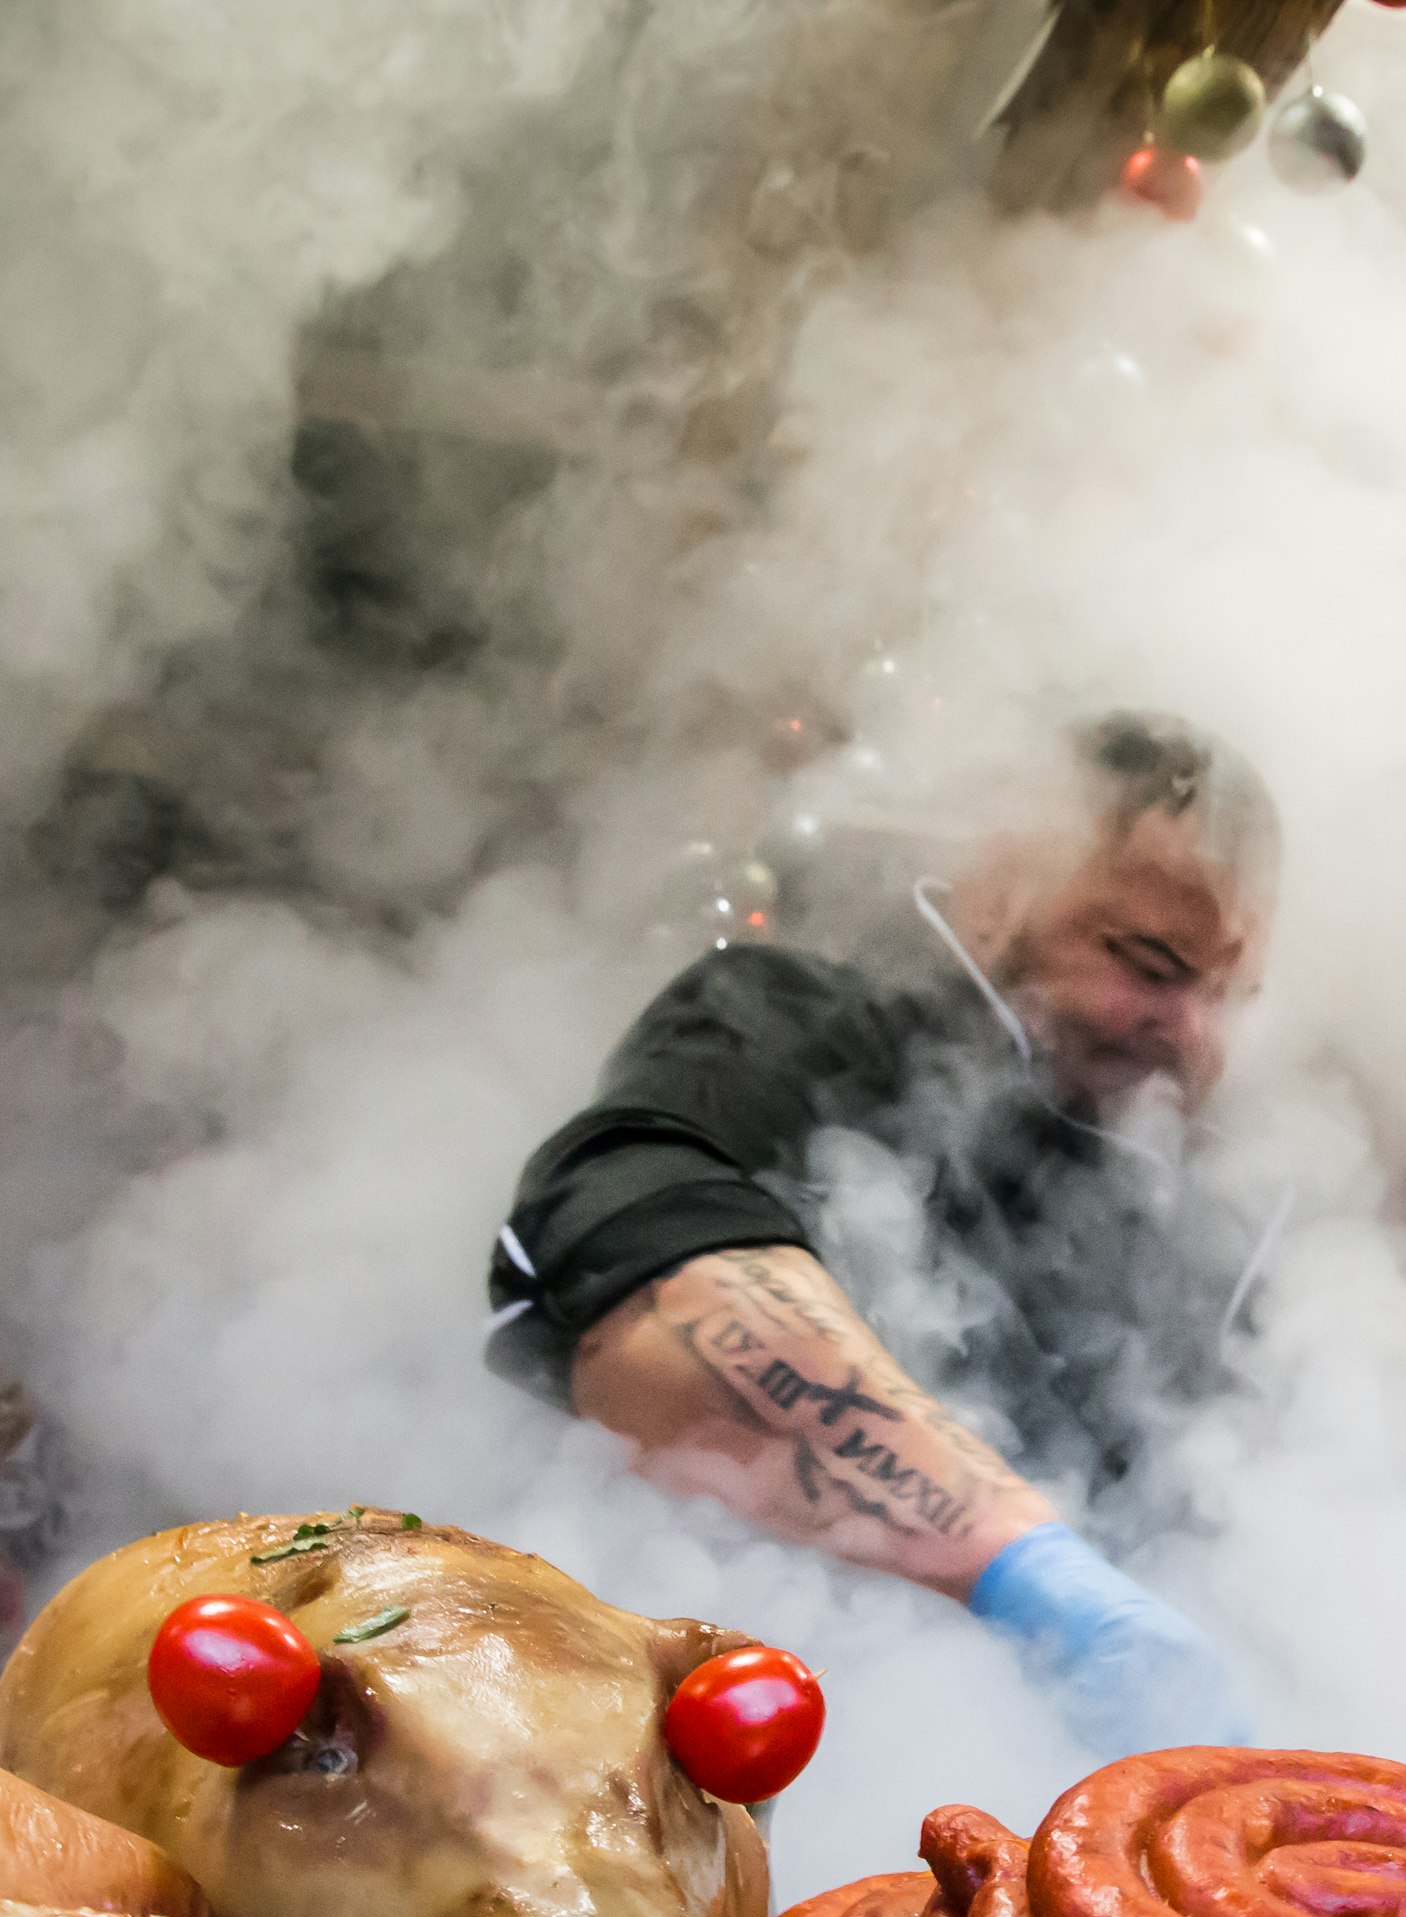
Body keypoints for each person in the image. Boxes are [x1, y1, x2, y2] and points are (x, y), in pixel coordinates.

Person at [487, 710, 1281, 1750]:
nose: (1191, 1032)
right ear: (998, 896)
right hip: (749, 1754)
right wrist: (1032, 1575)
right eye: (1149, 963)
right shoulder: (795, 1027)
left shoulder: (1175, 1238)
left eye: (1227, 993)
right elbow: (633, 1276)